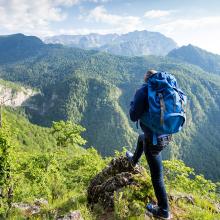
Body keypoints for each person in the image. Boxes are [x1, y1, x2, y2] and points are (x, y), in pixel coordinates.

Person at [126, 69, 171, 219]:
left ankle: (164, 211)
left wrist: (133, 102)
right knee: (141, 138)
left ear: (146, 79)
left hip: (154, 140)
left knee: (157, 177)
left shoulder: (143, 91)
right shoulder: (165, 90)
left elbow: (133, 116)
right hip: (167, 134)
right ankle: (134, 160)